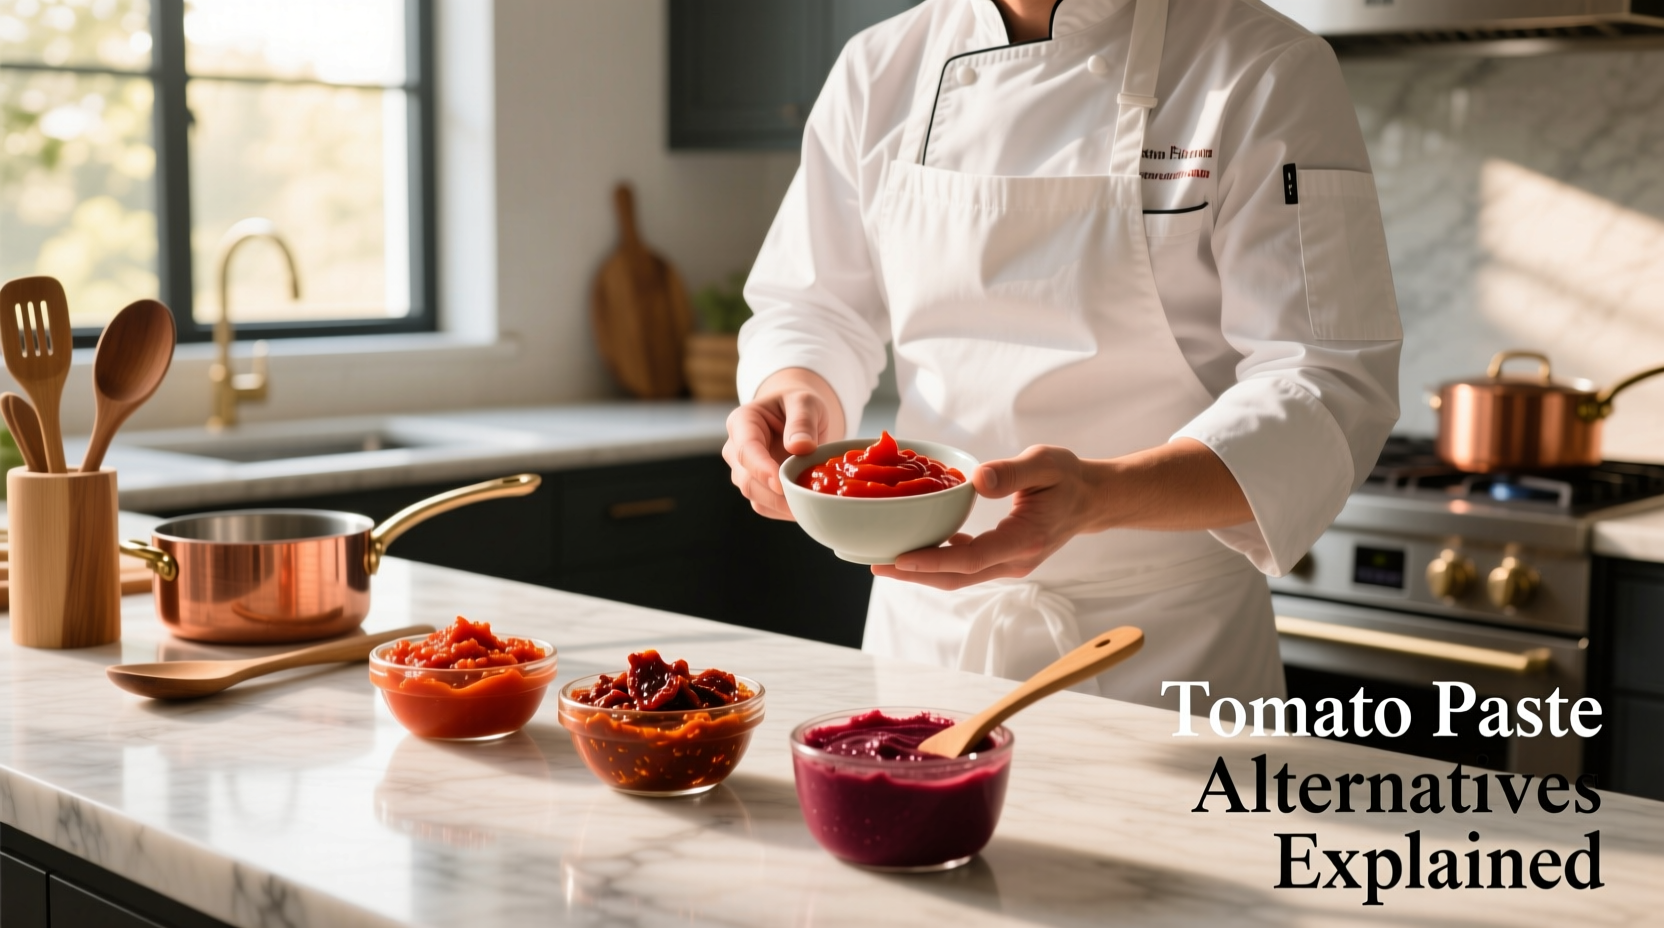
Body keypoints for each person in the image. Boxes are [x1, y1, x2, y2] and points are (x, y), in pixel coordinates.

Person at [722, 0, 1401, 704]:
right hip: (927, 641)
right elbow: (814, 305)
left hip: (1166, 651)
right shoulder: (877, 68)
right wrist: (796, 388)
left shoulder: (1264, 67)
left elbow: (1326, 379)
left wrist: (1102, 496)